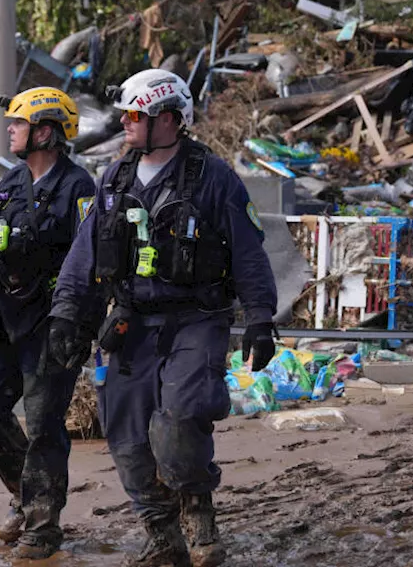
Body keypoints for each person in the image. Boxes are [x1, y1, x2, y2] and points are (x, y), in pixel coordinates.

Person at [45, 69, 278, 567]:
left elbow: (249, 255)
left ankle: (198, 517)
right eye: (126, 114)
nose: (126, 124)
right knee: (126, 434)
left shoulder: (213, 178)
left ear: (169, 120)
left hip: (197, 321)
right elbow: (82, 258)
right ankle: (161, 533)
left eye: (136, 115)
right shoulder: (113, 179)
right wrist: (66, 317)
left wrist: (260, 318)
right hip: (129, 325)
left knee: (180, 419)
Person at [0, 86, 96, 560]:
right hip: (2, 318)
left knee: (42, 424)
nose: (9, 129)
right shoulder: (11, 183)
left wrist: (78, 324)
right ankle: (25, 494)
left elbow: (90, 262)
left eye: (18, 123)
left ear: (46, 132)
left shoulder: (80, 188)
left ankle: (42, 525)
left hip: (50, 323)